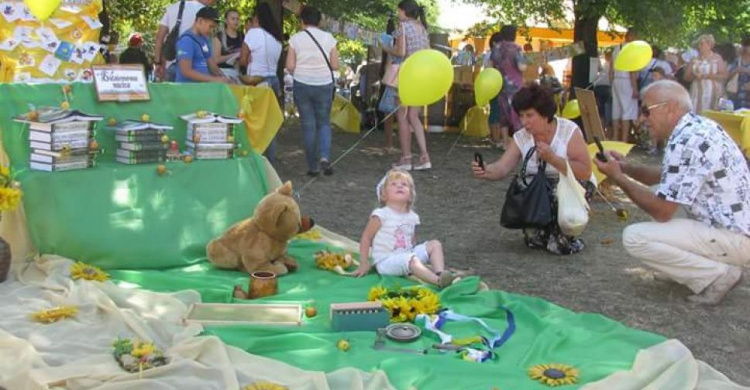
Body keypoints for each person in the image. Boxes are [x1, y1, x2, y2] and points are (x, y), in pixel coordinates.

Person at [595, 80, 749, 305]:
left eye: (646, 111)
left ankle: (716, 275)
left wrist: (618, 177)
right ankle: (683, 269)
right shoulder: (696, 128)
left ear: (670, 107)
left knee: (634, 237)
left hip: (734, 238)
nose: (642, 119)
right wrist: (625, 168)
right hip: (734, 231)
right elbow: (668, 177)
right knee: (659, 189)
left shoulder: (687, 139)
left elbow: (662, 211)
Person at [471, 84, 594, 255]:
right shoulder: (521, 136)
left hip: (569, 185)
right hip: (537, 191)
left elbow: (585, 171)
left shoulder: (568, 131)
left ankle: (566, 232)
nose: (524, 122)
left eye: (530, 115)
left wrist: (553, 159)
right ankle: (545, 229)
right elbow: (503, 167)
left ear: (545, 115)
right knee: (534, 241)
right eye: (521, 115)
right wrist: (485, 170)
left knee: (558, 245)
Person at [353, 169, 456, 288]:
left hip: (406, 256)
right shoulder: (381, 214)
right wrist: (364, 262)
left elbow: (412, 238)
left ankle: (440, 273)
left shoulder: (412, 216)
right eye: (394, 184)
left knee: (434, 244)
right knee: (411, 259)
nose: (399, 186)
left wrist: (416, 253)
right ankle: (438, 282)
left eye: (404, 184)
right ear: (383, 194)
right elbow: (366, 238)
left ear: (410, 195)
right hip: (386, 261)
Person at [286, 6, 339, 176]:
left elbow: (290, 66)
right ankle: (324, 156)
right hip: (324, 84)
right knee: (324, 123)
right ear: (320, 21)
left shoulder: (295, 39)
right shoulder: (329, 38)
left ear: (302, 22)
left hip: (302, 84)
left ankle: (313, 167)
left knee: (308, 125)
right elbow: (335, 65)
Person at [384, 0, 431, 171]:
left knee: (402, 117)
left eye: (399, 11)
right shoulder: (422, 28)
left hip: (405, 75)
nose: (398, 14)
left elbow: (400, 52)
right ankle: (425, 156)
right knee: (414, 117)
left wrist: (387, 48)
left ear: (403, 11)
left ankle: (406, 157)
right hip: (420, 75)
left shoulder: (402, 27)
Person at [241, 3, 283, 163]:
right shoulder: (277, 38)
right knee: (269, 123)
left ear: (256, 18)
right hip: (273, 80)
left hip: (257, 81)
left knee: (255, 122)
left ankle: (255, 157)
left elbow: (243, 60)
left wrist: (247, 58)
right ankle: (270, 160)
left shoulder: (253, 33)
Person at [154, 0, 216, 82]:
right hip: (193, 67)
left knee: (172, 94)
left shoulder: (171, 8)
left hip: (170, 63)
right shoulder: (202, 10)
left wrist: (157, 63)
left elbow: (159, 37)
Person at [488, 25, 526, 149]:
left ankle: (505, 142)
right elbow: (522, 67)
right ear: (514, 35)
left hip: (500, 84)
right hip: (515, 85)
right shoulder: (516, 49)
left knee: (503, 114)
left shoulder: (496, 48)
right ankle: (518, 143)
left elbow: (489, 66)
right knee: (517, 113)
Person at [174, 7, 228, 83]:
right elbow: (186, 71)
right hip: (186, 90)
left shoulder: (204, 39)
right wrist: (214, 80)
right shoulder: (186, 40)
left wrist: (224, 78)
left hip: (201, 89)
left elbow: (211, 64)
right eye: (211, 26)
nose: (211, 30)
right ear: (200, 21)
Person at [684, 34, 728, 112]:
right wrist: (695, 76)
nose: (699, 46)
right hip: (697, 92)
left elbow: (724, 75)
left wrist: (707, 76)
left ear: (709, 45)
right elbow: (686, 77)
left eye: (702, 44)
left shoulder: (717, 58)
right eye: (698, 44)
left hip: (713, 92)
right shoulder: (694, 59)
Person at [610, 28, 640, 143]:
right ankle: (624, 139)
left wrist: (612, 81)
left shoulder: (617, 48)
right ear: (632, 36)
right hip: (626, 80)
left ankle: (615, 137)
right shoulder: (632, 50)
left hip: (616, 80)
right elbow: (632, 70)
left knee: (616, 109)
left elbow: (611, 67)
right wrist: (635, 88)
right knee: (627, 110)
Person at [212, 9, 244, 82]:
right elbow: (216, 60)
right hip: (222, 73)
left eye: (237, 19)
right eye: (233, 19)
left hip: (238, 73)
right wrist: (234, 55)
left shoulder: (242, 36)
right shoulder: (219, 36)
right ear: (226, 21)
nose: (236, 21)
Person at [727, 37, 750, 109]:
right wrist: (736, 70)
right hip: (736, 93)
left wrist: (746, 71)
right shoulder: (737, 60)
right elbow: (727, 76)